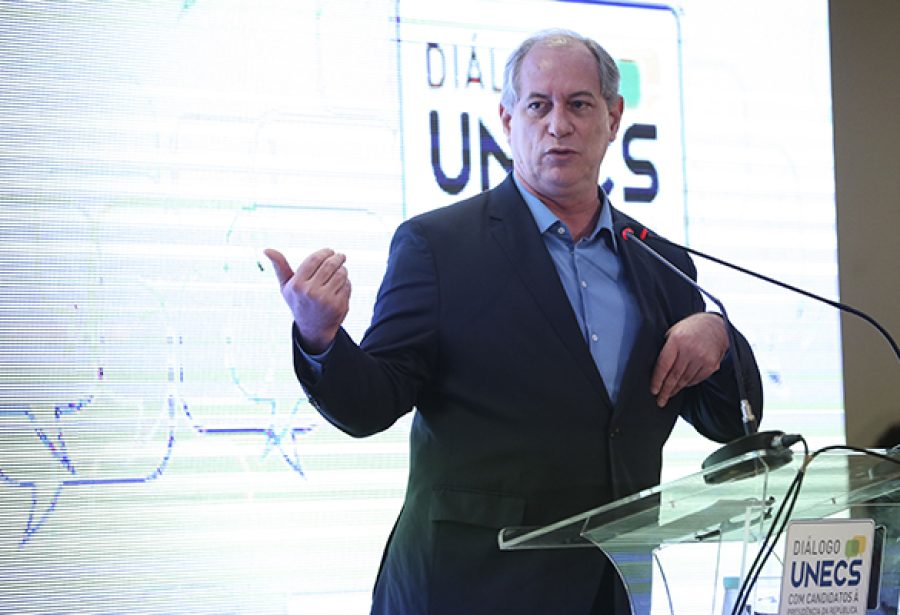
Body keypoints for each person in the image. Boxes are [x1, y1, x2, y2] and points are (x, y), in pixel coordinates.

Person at [265, 29, 763, 615]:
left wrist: (719, 337)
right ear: (507, 119)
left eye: (579, 104)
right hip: (468, 590)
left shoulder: (660, 262)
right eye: (538, 105)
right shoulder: (438, 247)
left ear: (613, 118)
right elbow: (371, 403)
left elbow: (730, 422)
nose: (559, 125)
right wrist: (320, 336)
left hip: (610, 592)